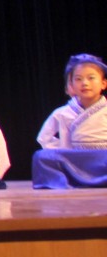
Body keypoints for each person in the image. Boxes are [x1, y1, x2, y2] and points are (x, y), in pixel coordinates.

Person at [32, 54, 107, 189]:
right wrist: (64, 148)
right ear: (71, 85)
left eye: (91, 78)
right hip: (74, 159)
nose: (85, 83)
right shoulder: (62, 113)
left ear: (103, 83)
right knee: (41, 156)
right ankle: (65, 181)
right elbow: (43, 138)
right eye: (78, 79)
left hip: (102, 159)